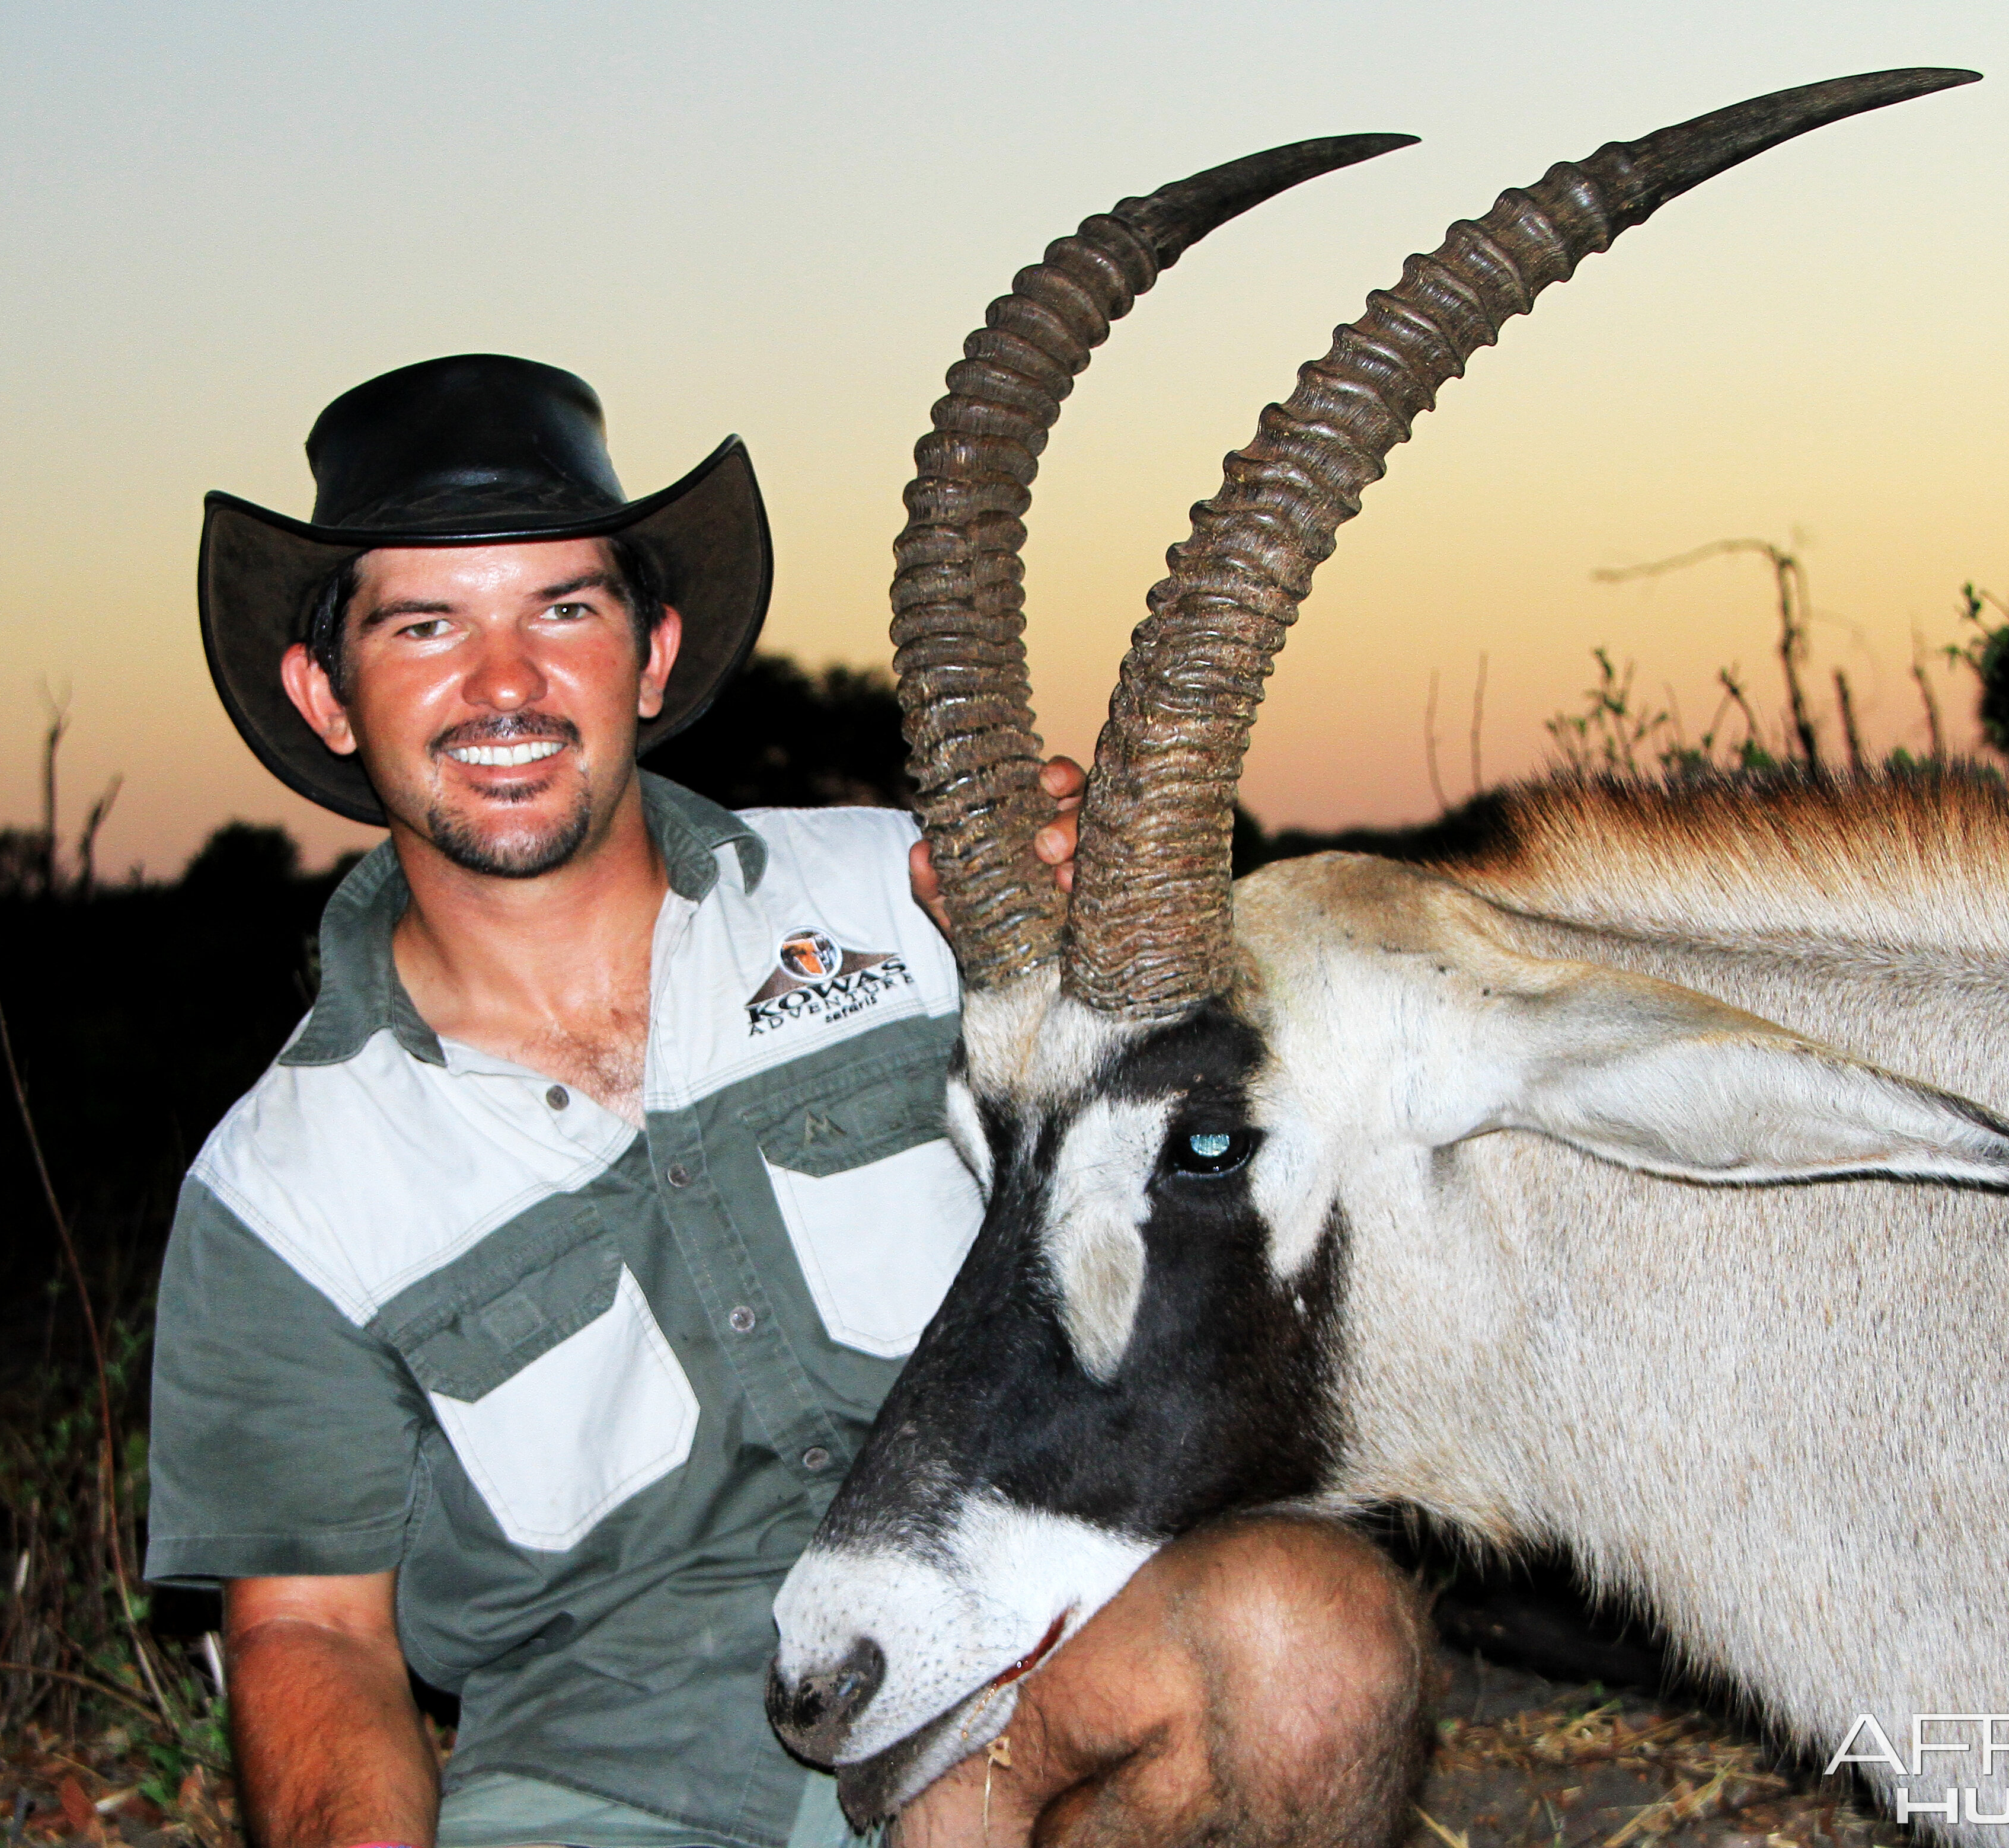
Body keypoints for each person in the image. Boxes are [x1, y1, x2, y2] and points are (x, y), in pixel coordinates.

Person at [147, 354, 1429, 1848]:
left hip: (1008, 1691)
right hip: (619, 1780)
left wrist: (1101, 935)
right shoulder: (277, 1188)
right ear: (326, 691)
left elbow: (1228, 1133)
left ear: (651, 650)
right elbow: (315, 1634)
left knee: (1311, 1637)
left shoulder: (912, 900)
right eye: (425, 626)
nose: (506, 683)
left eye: (564, 608)